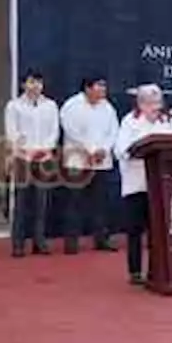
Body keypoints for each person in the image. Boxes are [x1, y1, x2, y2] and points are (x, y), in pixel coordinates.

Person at [115, 84, 172, 285]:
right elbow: (121, 150)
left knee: (157, 231)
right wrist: (140, 150)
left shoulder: (166, 122)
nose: (156, 106)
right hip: (136, 184)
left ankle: (155, 270)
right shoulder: (130, 122)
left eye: (158, 102)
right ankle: (134, 271)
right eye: (151, 102)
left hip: (160, 184)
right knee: (135, 230)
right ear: (141, 104)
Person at [59, 76, 119, 254]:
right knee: (74, 203)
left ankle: (101, 239)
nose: (103, 89)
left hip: (101, 162)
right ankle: (71, 243)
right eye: (99, 86)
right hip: (77, 161)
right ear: (87, 88)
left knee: (100, 204)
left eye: (104, 86)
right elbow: (71, 131)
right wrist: (91, 150)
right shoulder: (72, 106)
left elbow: (113, 131)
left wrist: (103, 150)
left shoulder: (107, 107)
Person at [3, 69, 59, 258]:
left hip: (44, 158)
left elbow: (54, 130)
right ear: (23, 85)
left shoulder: (50, 105)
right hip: (22, 158)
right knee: (21, 204)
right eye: (31, 82)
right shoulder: (14, 106)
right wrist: (26, 150)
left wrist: (45, 148)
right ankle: (18, 244)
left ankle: (39, 242)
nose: (35, 86)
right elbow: (12, 132)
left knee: (41, 203)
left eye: (39, 82)